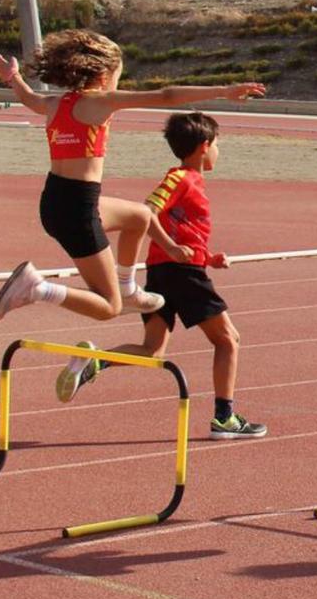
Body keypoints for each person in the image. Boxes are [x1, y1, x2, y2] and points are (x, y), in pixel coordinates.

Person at [0, 30, 265, 325]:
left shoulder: (56, 104)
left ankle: (127, 287)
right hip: (78, 211)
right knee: (108, 307)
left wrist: (12, 76)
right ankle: (38, 288)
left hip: (57, 200)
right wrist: (223, 90)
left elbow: (29, 98)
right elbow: (166, 96)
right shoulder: (102, 101)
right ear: (105, 76)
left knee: (140, 216)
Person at [55, 112, 266, 439]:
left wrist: (207, 257)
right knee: (228, 340)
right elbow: (147, 211)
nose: (218, 152)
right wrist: (170, 248)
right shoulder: (182, 177)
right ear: (204, 146)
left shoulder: (190, 181)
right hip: (179, 273)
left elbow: (182, 230)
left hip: (168, 271)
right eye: (217, 145)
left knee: (153, 350)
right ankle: (224, 419)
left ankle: (94, 362)